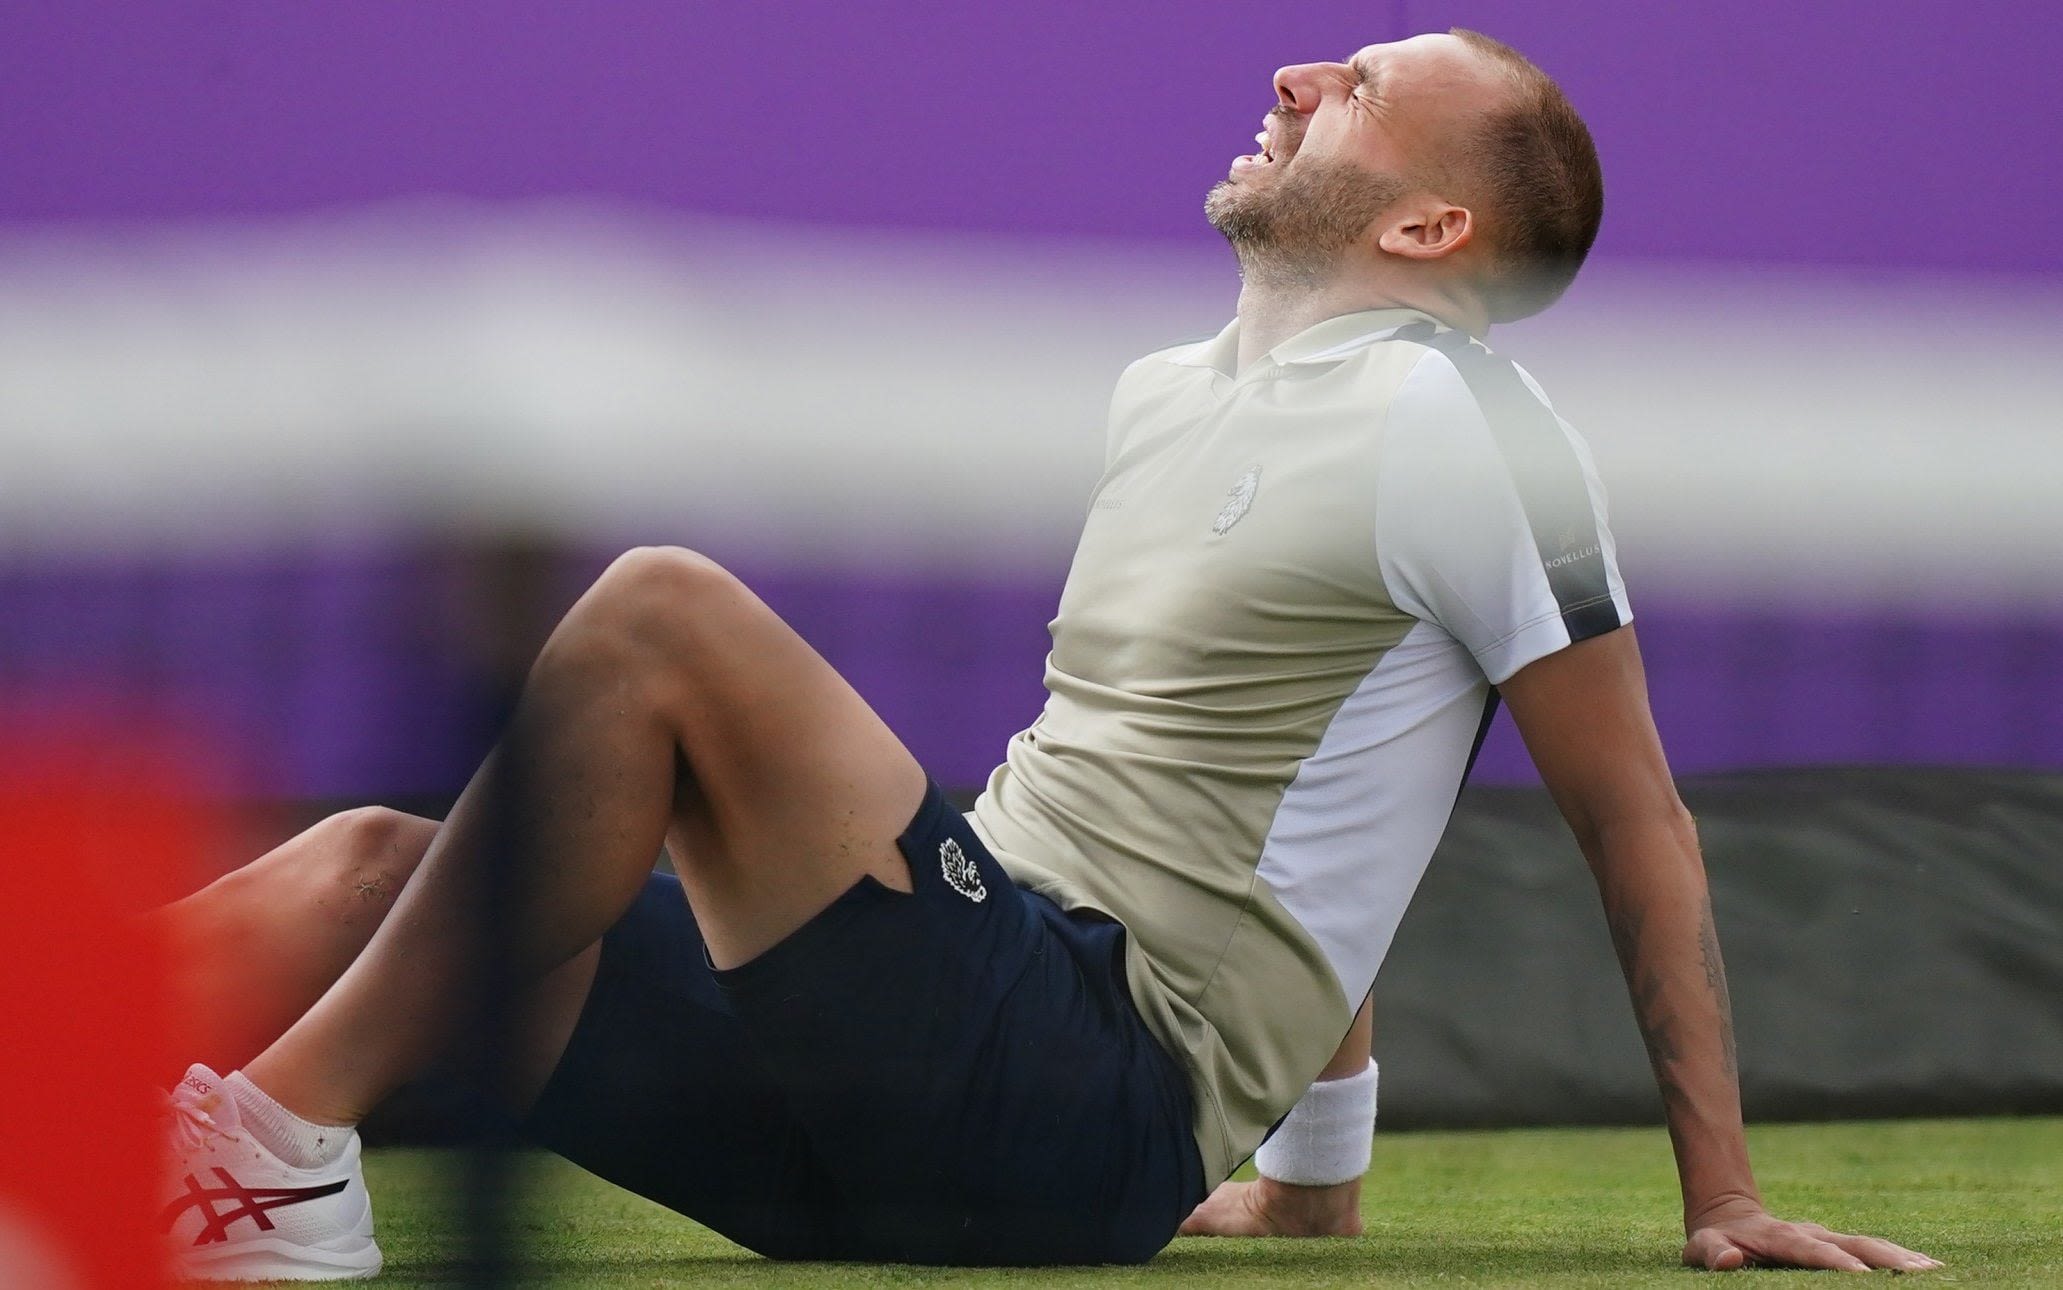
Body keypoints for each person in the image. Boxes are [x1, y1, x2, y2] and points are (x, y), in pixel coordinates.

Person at [157, 29, 1939, 1279]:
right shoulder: (1166, 391)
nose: (1299, 77)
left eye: (1363, 90)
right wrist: (1317, 1189)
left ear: (1424, 229)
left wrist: (1725, 1192)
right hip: (880, 1107)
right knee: (363, 867)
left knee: (658, 618)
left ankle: (269, 1153)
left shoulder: (1479, 430)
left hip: (1067, 1098)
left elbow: (1635, 820)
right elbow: (1312, 794)